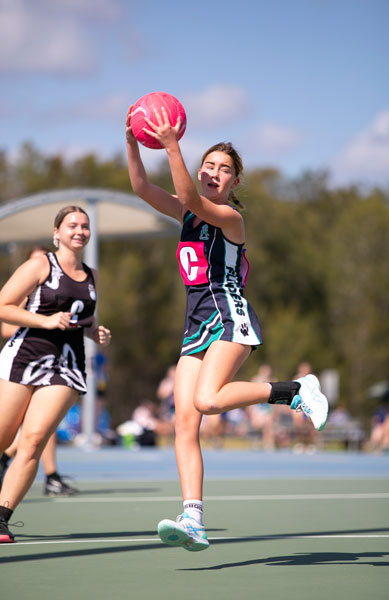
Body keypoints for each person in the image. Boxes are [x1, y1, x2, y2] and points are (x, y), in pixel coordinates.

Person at [125, 105, 328, 552]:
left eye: (225, 169)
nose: (215, 172)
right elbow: (140, 186)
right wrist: (133, 141)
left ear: (235, 182)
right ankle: (193, 519)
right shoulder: (186, 212)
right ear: (199, 170)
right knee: (183, 424)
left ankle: (293, 390)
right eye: (210, 165)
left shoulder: (230, 218)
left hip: (227, 314)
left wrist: (172, 144)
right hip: (196, 323)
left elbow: (192, 199)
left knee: (207, 400)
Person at [0, 206, 111, 543]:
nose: (79, 230)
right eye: (72, 225)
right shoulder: (40, 265)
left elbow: (83, 318)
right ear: (57, 232)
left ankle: (2, 517)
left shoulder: (92, 276)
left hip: (66, 365)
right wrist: (46, 321)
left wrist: (94, 331)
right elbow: (4, 305)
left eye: (85, 226)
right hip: (24, 359)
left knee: (33, 440)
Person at [0, 246, 79, 497]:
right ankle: (6, 458)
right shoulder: (23, 294)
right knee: (12, 431)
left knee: (39, 433)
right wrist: (42, 323)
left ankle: (51, 476)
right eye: (34, 261)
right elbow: (6, 330)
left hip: (56, 364)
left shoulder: (60, 292)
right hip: (23, 364)